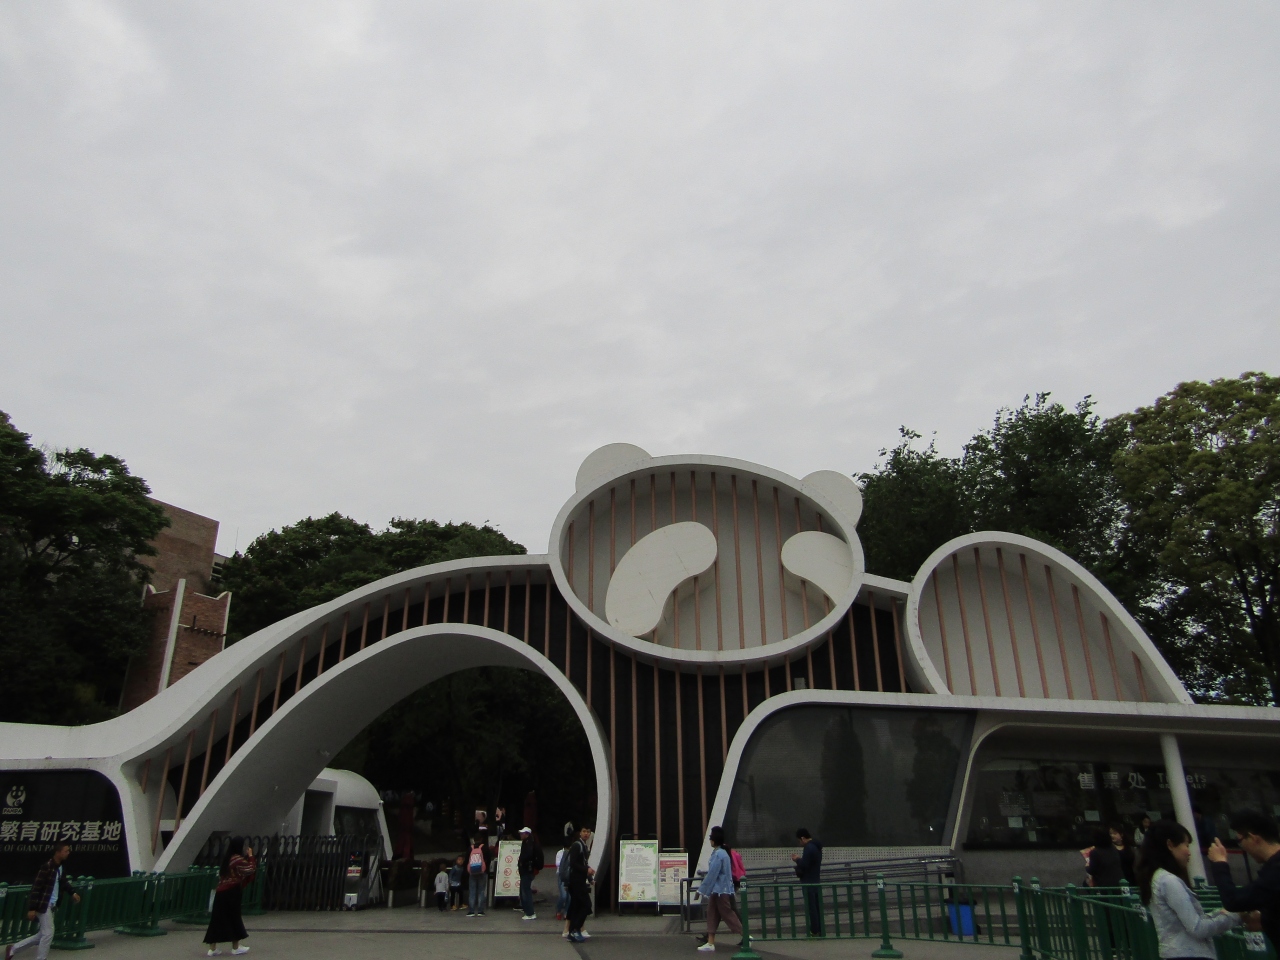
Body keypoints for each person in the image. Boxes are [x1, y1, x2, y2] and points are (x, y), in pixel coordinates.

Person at [1138, 819, 1241, 958]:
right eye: (1186, 845)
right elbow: (1197, 928)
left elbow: (1189, 920)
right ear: (1170, 845)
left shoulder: (1158, 878)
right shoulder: (1169, 881)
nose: (1189, 852)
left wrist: (1219, 914)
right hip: (1188, 954)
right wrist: (1236, 916)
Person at [1207, 810, 1280, 953]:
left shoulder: (1275, 871)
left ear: (1252, 838)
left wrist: (1219, 862)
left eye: (1240, 842)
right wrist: (1264, 918)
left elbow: (1233, 900)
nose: (1242, 847)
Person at [5, 842, 80, 960]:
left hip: (53, 905)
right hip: (44, 905)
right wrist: (32, 908)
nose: (68, 853)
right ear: (58, 852)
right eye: (66, 851)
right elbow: (36, 887)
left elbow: (63, 882)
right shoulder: (47, 867)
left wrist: (73, 893)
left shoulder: (60, 867)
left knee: (42, 934)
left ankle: (13, 949)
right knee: (48, 933)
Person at [203, 836, 256, 957]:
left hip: (221, 891)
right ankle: (235, 947)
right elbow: (250, 869)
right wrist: (251, 856)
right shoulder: (237, 859)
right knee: (234, 917)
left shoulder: (227, 859)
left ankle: (212, 948)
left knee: (217, 919)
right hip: (232, 892)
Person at [697, 826, 744, 952]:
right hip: (720, 890)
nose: (710, 840)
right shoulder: (722, 853)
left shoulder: (719, 854)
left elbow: (712, 873)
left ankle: (745, 935)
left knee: (727, 913)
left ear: (714, 840)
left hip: (720, 890)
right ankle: (710, 942)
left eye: (710, 838)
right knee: (712, 913)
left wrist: (701, 890)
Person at [791, 828, 824, 937]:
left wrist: (797, 859)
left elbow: (804, 864)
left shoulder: (809, 848)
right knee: (817, 907)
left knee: (811, 908)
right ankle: (820, 930)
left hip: (808, 881)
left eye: (799, 841)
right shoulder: (816, 847)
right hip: (815, 880)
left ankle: (814, 931)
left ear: (802, 838)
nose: (799, 844)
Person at [566, 824, 595, 943]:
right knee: (586, 905)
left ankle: (572, 931)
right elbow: (573, 863)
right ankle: (576, 928)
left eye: (588, 831)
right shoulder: (577, 845)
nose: (586, 834)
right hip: (576, 881)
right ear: (580, 833)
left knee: (577, 906)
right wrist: (586, 870)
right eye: (584, 831)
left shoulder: (583, 845)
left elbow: (583, 863)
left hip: (579, 880)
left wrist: (590, 877)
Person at [518, 826, 544, 920]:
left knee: (526, 891)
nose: (521, 835)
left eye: (522, 833)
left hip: (527, 870)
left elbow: (527, 856)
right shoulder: (528, 842)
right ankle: (527, 910)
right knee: (524, 890)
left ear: (527, 834)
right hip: (526, 870)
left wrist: (522, 862)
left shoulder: (529, 844)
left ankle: (530, 912)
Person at [466, 837, 488, 916]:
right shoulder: (485, 848)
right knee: (481, 891)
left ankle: (471, 911)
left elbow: (467, 860)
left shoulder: (470, 848)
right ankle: (480, 911)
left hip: (472, 873)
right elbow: (488, 859)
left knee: (472, 891)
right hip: (482, 872)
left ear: (474, 840)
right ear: (481, 839)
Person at [556, 838, 573, 927]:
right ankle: (558, 910)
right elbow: (558, 863)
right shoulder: (560, 853)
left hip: (570, 875)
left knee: (569, 896)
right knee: (563, 895)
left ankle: (566, 911)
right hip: (562, 875)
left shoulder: (573, 853)